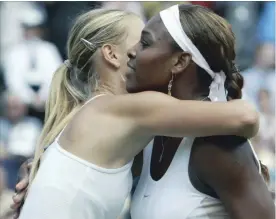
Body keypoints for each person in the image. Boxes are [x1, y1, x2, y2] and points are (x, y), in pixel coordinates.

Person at [13, 8, 259, 219]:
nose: (138, 52)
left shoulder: (105, 115)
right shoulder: (126, 110)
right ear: (112, 55)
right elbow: (246, 117)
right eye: (141, 43)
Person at [129, 4, 274, 219]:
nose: (132, 50)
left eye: (145, 43)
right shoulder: (152, 132)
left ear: (179, 62)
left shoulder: (218, 145)